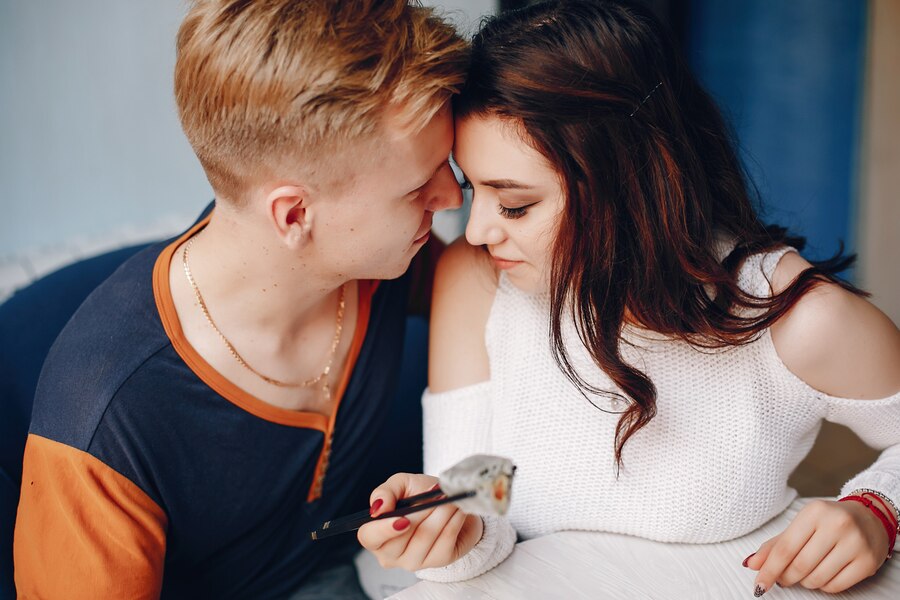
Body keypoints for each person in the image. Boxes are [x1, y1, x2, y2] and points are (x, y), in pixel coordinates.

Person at [357, 1, 900, 596]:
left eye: (514, 204)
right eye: (472, 188)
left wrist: (878, 509)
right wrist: (452, 532)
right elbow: (480, 489)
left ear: (629, 181)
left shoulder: (798, 317)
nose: (478, 230)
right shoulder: (476, 278)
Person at [13, 1, 469, 597]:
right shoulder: (104, 424)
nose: (452, 201)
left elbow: (492, 288)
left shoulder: (381, 257)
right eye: (419, 188)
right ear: (295, 214)